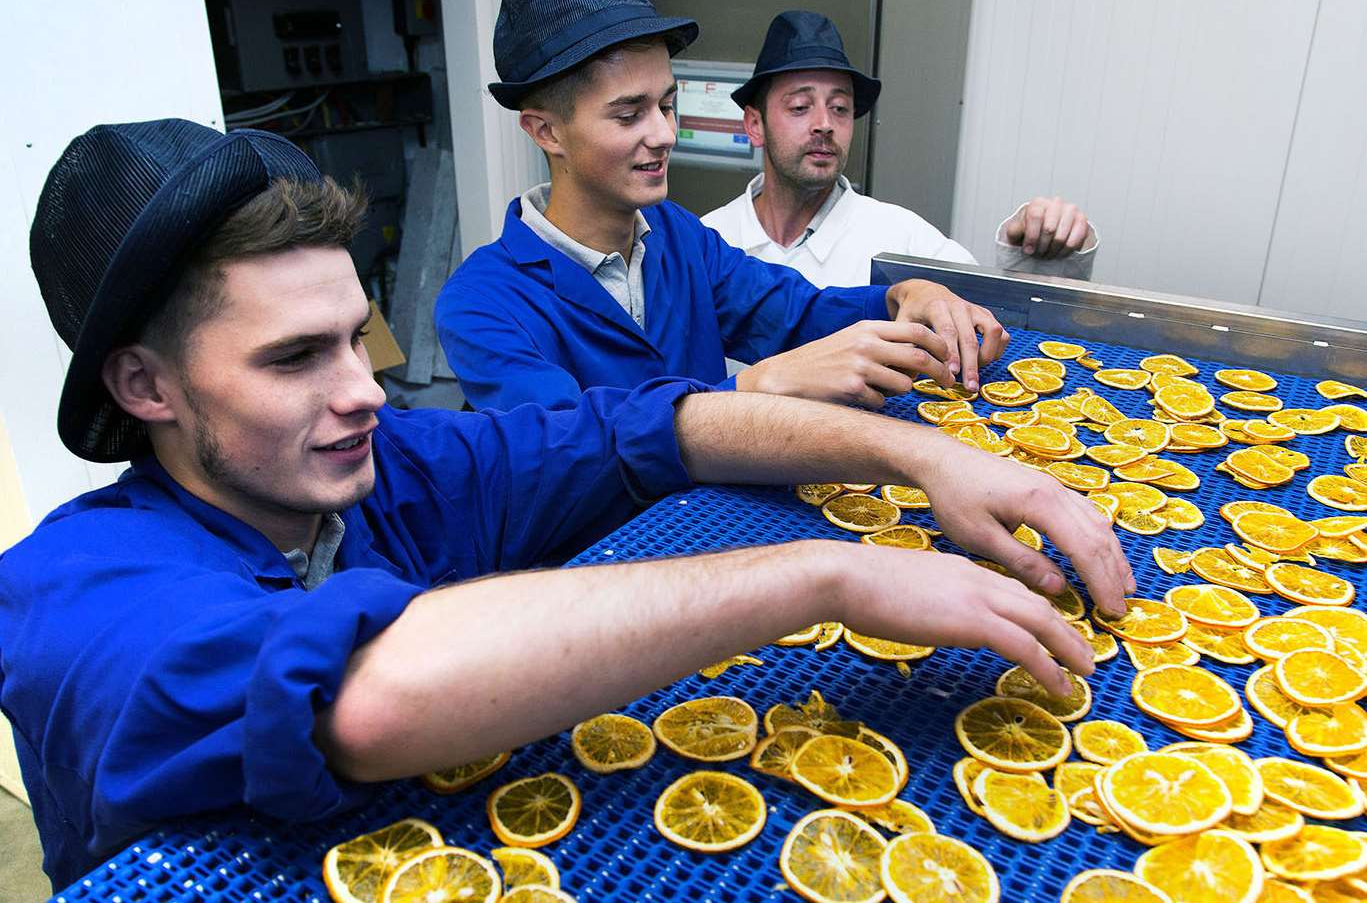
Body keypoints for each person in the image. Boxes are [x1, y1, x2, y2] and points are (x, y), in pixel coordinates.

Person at [0, 118, 1133, 890]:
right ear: (145, 386)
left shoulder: (386, 468)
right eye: (293, 359)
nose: (363, 393)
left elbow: (647, 425)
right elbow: (362, 694)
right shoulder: (72, 593)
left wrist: (923, 460)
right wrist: (823, 575)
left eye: (357, 337)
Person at [435, 0, 1009, 413]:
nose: (663, 134)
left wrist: (902, 296)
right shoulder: (484, 302)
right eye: (629, 114)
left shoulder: (678, 237)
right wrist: (757, 387)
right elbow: (567, 455)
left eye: (666, 104)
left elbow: (792, 313)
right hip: (605, 560)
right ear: (546, 130)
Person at [702, 10, 1098, 289]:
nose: (825, 123)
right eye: (800, 107)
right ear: (755, 124)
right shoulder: (709, 239)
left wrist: (1039, 259)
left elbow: (998, 316)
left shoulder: (902, 241)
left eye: (840, 108)